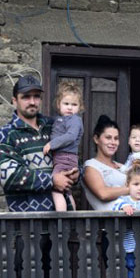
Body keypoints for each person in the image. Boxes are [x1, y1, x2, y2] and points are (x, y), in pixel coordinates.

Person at [0, 74, 78, 212]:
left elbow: (70, 153)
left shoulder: (54, 126)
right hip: (29, 224)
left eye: (36, 96)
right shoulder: (7, 134)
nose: (32, 101)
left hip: (64, 222)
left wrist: (76, 173)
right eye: (26, 97)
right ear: (14, 101)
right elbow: (9, 177)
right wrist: (52, 181)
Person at [42, 81, 84, 211]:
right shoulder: (61, 119)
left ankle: (63, 216)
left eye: (74, 104)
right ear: (58, 105)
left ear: (80, 107)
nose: (70, 108)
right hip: (64, 158)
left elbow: (71, 136)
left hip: (64, 158)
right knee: (66, 189)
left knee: (56, 188)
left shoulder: (74, 120)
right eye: (66, 104)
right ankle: (71, 212)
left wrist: (51, 144)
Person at [83, 115, 129, 211]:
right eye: (108, 138)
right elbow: (103, 194)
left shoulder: (122, 166)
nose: (113, 142)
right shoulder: (91, 166)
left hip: (134, 219)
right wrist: (132, 190)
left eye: (116, 138)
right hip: (109, 223)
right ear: (96, 139)